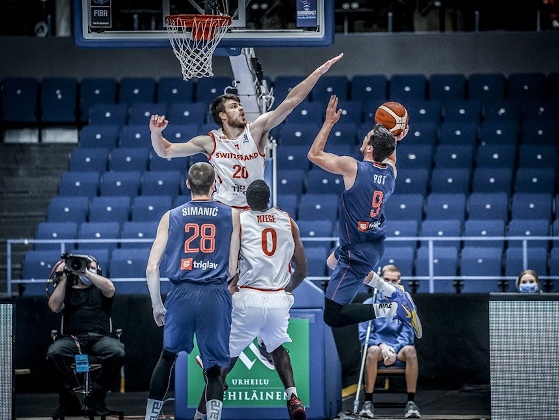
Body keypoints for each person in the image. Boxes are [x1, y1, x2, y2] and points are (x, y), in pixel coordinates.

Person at [149, 53, 344, 209]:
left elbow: (290, 102)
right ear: (222, 116)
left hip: (251, 211)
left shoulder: (256, 131)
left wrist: (317, 73)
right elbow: (165, 151)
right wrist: (156, 133)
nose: (241, 108)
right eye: (234, 106)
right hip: (223, 210)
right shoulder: (209, 142)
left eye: (240, 105)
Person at [308, 95, 422, 337]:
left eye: (368, 138)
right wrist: (396, 135)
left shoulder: (353, 168)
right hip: (372, 242)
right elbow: (388, 149)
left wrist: (329, 121)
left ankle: (393, 307)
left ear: (370, 147)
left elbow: (314, 155)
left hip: (356, 251)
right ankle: (392, 291)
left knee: (333, 316)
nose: (365, 137)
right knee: (331, 262)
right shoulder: (391, 171)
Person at [194, 179, 308, 420]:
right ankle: (293, 396)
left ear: (247, 200)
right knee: (277, 347)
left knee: (225, 362)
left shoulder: (240, 220)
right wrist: (286, 290)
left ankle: (201, 416)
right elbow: (301, 271)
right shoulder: (289, 221)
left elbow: (230, 265)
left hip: (249, 295)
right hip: (277, 299)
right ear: (269, 198)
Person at [144, 162, 241, 420]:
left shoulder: (171, 216)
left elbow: (152, 267)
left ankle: (150, 417)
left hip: (180, 293)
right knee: (214, 368)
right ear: (214, 185)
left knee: (167, 358)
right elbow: (232, 266)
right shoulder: (231, 215)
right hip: (215, 293)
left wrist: (157, 305)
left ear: (188, 184)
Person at [46, 254, 125, 417]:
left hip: (100, 338)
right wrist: (65, 278)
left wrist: (85, 272)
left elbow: (110, 288)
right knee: (54, 353)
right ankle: (69, 400)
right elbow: (54, 306)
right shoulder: (66, 288)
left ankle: (96, 396)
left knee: (118, 352)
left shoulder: (101, 288)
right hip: (73, 339)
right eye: (83, 266)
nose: (87, 269)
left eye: (92, 267)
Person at [357, 265, 420, 419]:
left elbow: (408, 334)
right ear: (380, 280)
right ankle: (368, 402)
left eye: (394, 280)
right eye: (386, 280)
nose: (390, 283)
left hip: (399, 348)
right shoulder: (368, 304)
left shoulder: (406, 305)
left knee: (411, 350)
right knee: (371, 351)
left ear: (399, 281)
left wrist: (393, 349)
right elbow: (365, 334)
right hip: (378, 348)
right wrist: (382, 346)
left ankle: (411, 403)